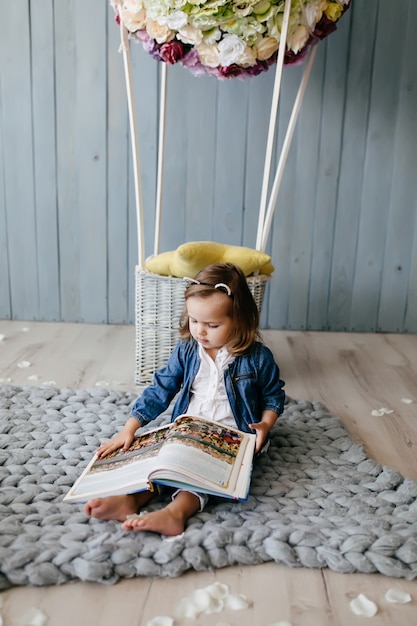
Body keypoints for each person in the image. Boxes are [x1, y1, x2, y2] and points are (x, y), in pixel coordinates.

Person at [85, 262, 285, 535]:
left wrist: (265, 424)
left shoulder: (258, 358)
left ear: (241, 320)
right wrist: (130, 428)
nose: (200, 331)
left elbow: (273, 395)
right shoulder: (188, 351)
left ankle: (174, 513)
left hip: (231, 435)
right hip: (188, 427)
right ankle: (131, 500)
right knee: (165, 462)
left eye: (212, 325)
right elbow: (161, 388)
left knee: (197, 473)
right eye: (194, 321)